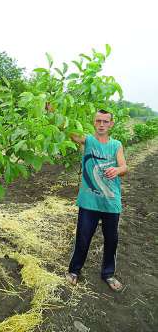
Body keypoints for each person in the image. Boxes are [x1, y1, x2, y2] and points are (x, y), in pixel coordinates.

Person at [66, 109, 128, 292]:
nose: (101, 124)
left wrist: (117, 170)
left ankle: (108, 274)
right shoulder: (88, 140)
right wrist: (54, 113)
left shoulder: (116, 144)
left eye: (105, 121)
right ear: (94, 123)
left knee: (112, 240)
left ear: (111, 124)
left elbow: (124, 166)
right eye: (98, 121)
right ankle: (74, 271)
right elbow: (70, 133)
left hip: (111, 203)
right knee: (83, 238)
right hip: (89, 202)